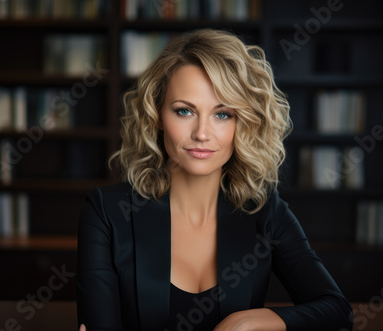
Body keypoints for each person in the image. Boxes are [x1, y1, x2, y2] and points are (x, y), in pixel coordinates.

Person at [76, 28, 353, 331]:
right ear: (157, 116)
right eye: (184, 111)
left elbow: (336, 310)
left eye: (222, 114)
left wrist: (248, 322)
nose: (202, 134)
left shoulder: (263, 210)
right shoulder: (107, 212)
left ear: (243, 123)